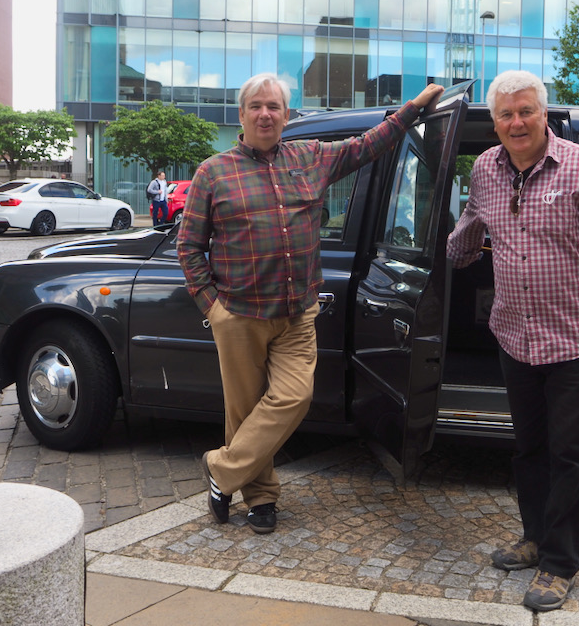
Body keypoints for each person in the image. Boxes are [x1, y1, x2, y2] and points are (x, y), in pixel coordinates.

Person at [177, 72, 444, 533]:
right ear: (242, 115)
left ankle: (221, 470)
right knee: (244, 411)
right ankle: (261, 498)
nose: (265, 114)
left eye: (274, 107)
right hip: (238, 313)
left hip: (297, 314)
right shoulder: (213, 172)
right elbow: (189, 246)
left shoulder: (311, 157)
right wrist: (211, 305)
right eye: (256, 106)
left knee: (294, 397)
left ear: (286, 116)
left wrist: (413, 109)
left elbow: (367, 146)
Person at [445, 70, 579, 612]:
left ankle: (559, 563)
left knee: (572, 455)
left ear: (542, 113)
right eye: (506, 114)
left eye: (525, 111)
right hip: (515, 336)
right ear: (495, 122)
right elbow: (471, 226)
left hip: (576, 339)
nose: (516, 122)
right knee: (529, 449)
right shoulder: (485, 169)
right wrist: (450, 245)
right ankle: (534, 537)